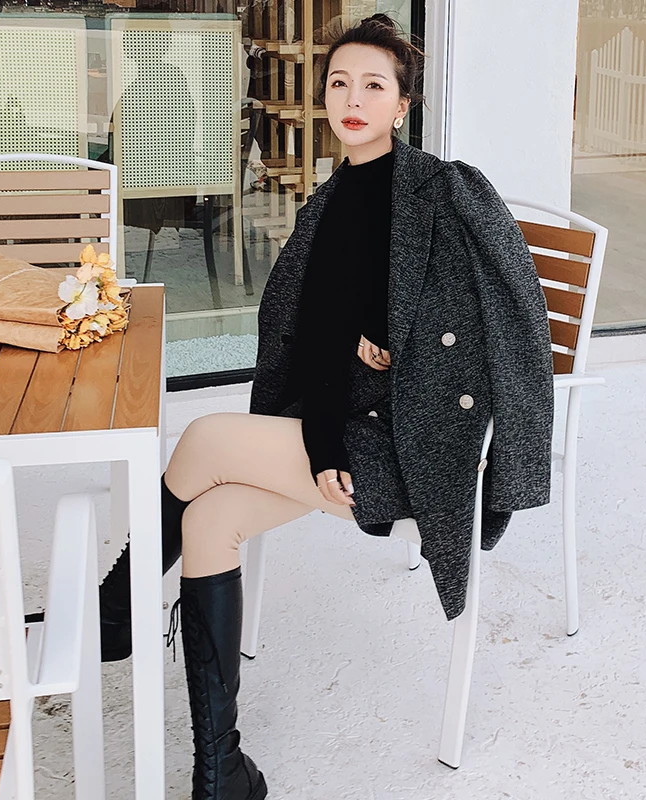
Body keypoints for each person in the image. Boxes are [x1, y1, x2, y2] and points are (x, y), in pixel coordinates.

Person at [94, 13, 555, 800]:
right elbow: (311, 341)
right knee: (209, 520)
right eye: (340, 82)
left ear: (403, 103)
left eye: (374, 85)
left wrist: (397, 366)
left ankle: (111, 614)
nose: (353, 99)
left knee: (203, 439)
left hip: (415, 448)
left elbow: (515, 323)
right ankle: (220, 773)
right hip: (344, 431)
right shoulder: (332, 200)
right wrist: (344, 379)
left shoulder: (446, 190)